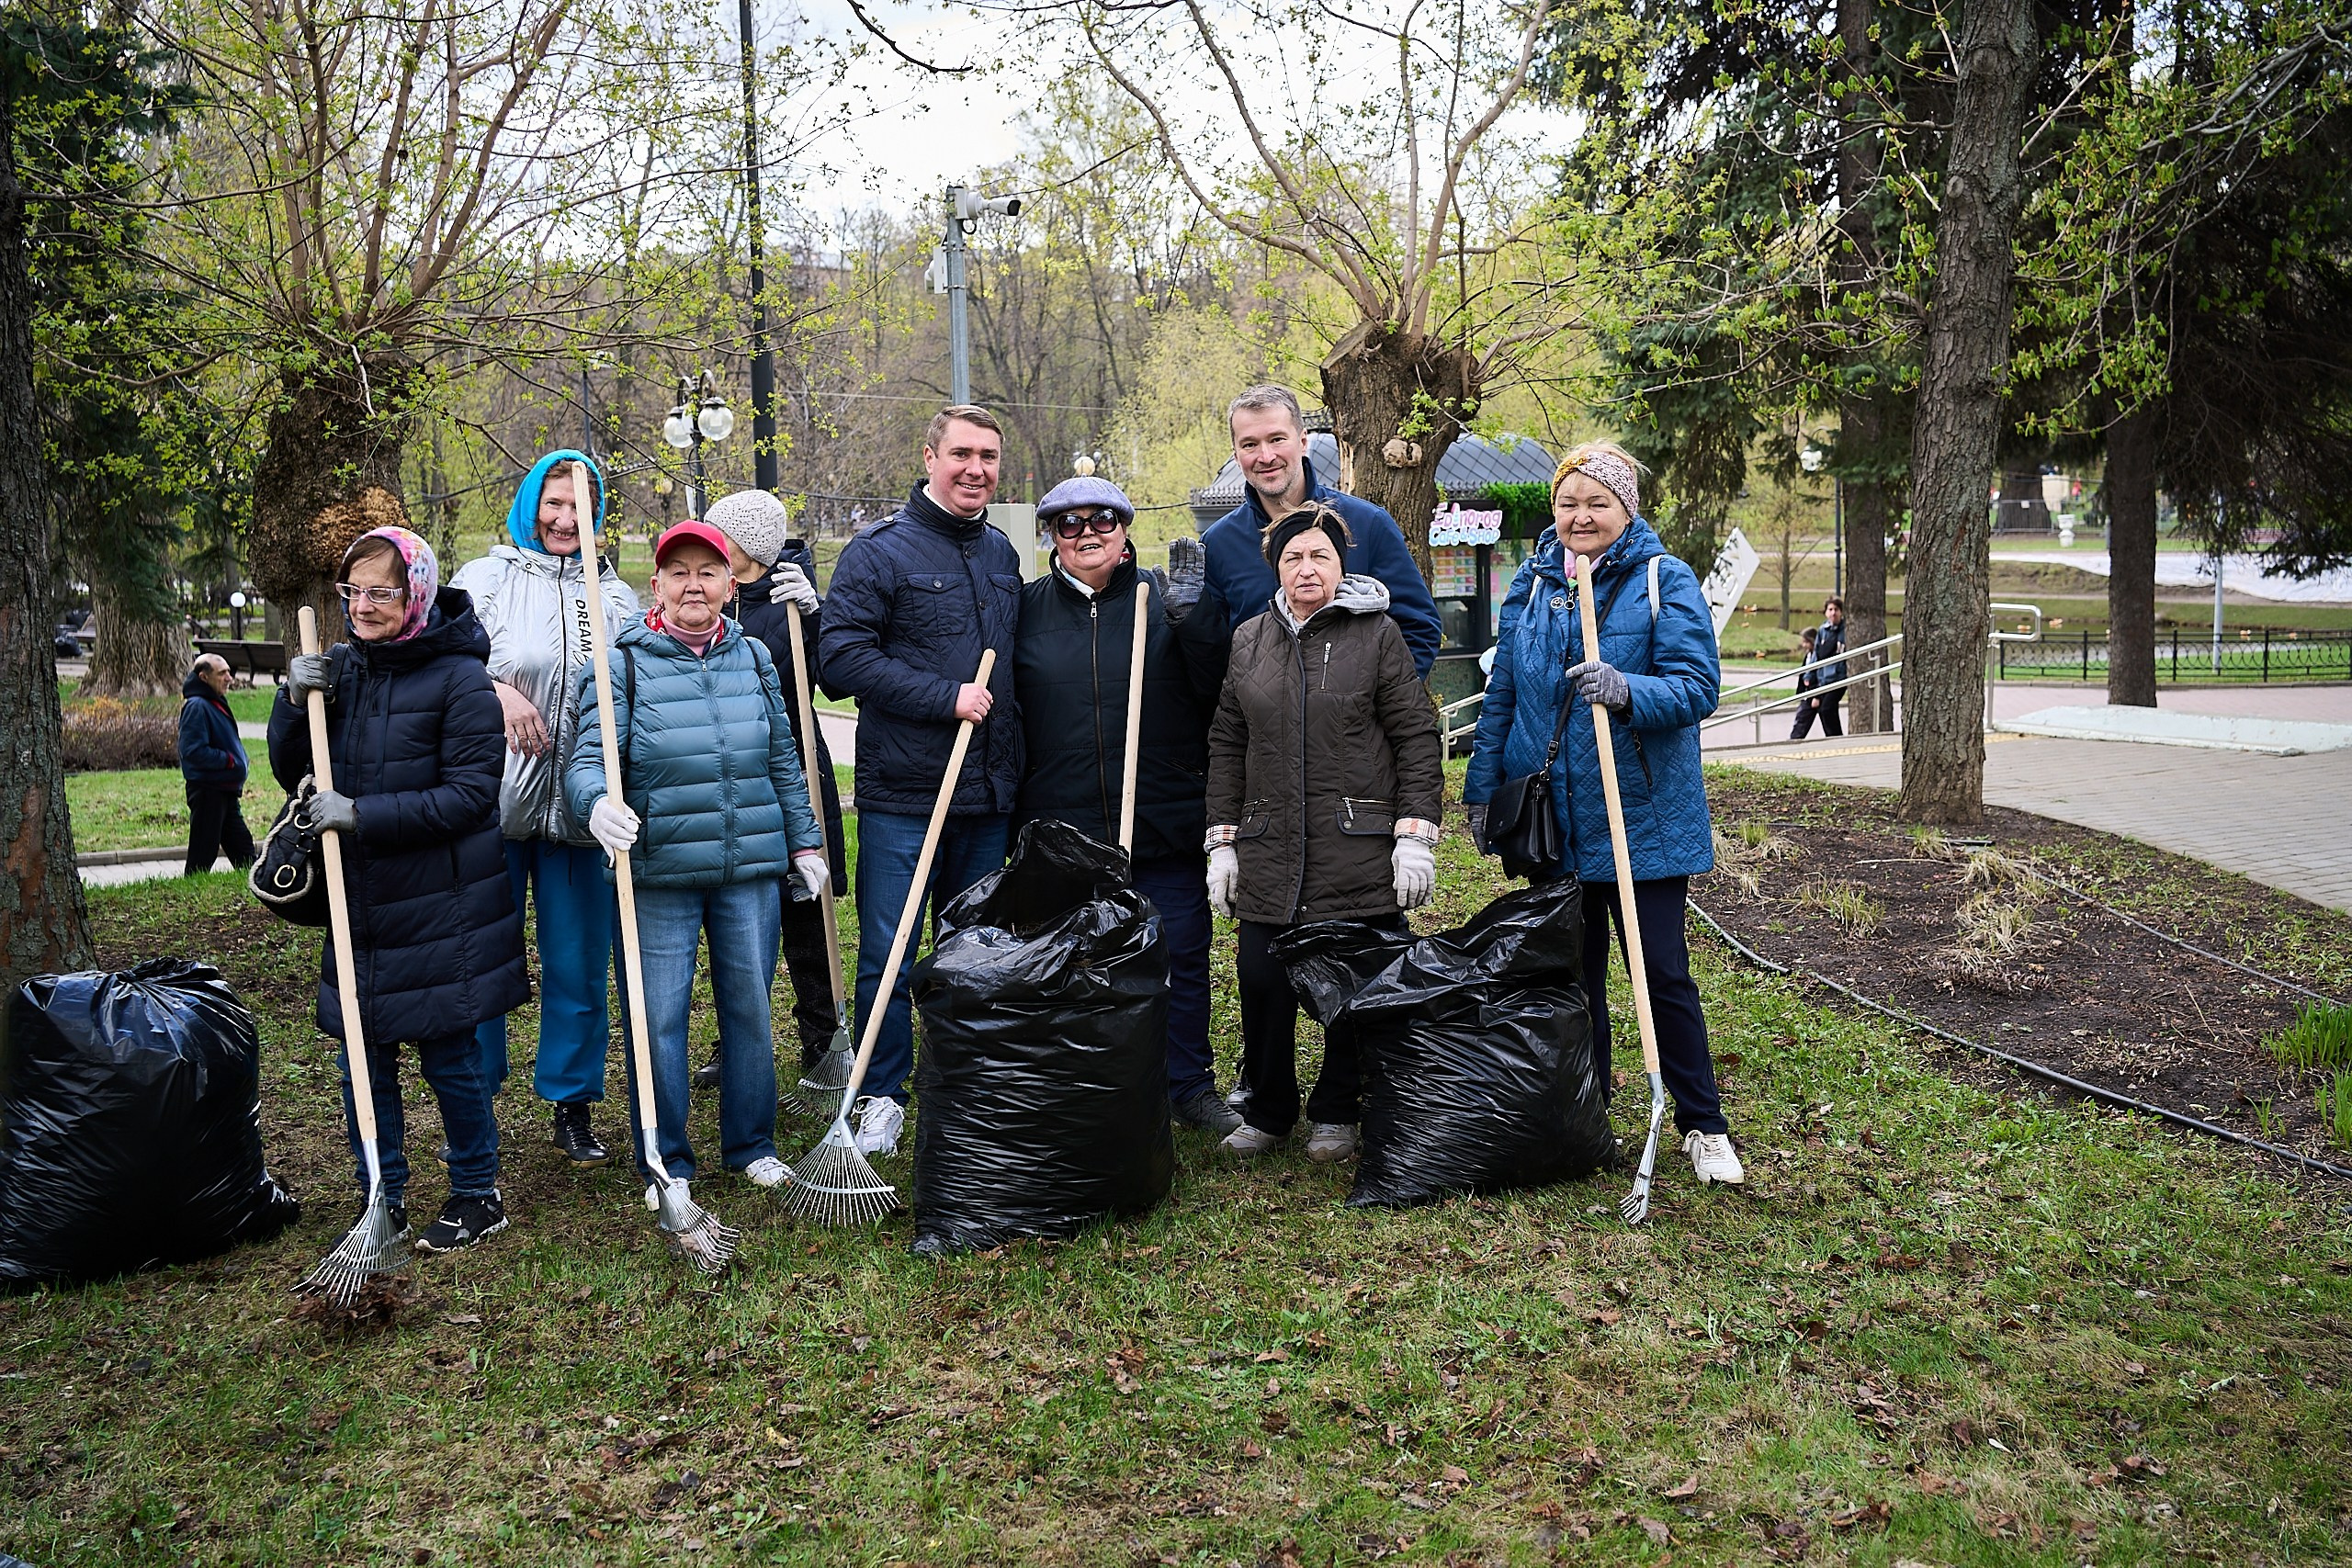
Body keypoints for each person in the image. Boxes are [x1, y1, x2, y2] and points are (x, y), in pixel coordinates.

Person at [1462, 442, 1744, 1186]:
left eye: (1598, 502)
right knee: (1569, 980)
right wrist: (1483, 788)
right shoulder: (1531, 583)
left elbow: (1697, 687)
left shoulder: (1663, 579)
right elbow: (1504, 698)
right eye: (1568, 502)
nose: (1580, 516)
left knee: (1658, 972)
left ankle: (1701, 1122)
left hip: (1640, 819)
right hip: (1555, 820)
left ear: (1627, 509)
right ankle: (1585, 1113)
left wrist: (1627, 690)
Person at [268, 525, 528, 1254]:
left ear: (414, 592)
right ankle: (381, 1196)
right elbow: (293, 764)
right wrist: (295, 700)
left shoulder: (460, 680)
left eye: (380, 592)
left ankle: (478, 1192)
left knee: (450, 1057)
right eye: (352, 591)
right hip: (361, 904)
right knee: (364, 1057)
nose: (362, 605)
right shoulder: (344, 670)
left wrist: (361, 814)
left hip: (441, 906)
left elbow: (472, 798)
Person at [566, 521, 829, 1201]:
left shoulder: (753, 657)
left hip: (747, 869)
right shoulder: (622, 662)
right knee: (658, 1017)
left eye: (707, 571)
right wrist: (596, 803)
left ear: (729, 582)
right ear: (656, 584)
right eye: (677, 571)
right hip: (658, 872)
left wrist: (803, 841)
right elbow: (589, 760)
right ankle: (666, 1158)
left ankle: (752, 1145)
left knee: (749, 1006)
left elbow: (780, 759)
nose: (693, 584)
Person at [1204, 503, 1444, 1162]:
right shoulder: (1250, 639)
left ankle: (1338, 1110)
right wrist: (1222, 843)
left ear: (1342, 566)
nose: (1306, 569)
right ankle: (1269, 1110)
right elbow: (1228, 743)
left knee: (1356, 984)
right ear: (1275, 567)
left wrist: (1414, 834)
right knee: (1261, 979)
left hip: (1356, 849)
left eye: (1320, 557)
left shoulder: (1378, 635)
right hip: (1269, 846)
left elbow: (1416, 737)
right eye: (1293, 557)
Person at [817, 405, 1023, 1156]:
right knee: (892, 951)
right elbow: (838, 661)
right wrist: (945, 698)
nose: (977, 469)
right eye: (962, 453)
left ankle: (967, 1080)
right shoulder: (879, 552)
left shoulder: (1002, 552)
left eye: (989, 456)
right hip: (906, 793)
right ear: (930, 456)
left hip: (987, 796)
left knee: (975, 948)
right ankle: (882, 1094)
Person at [1013, 474, 1236, 1134]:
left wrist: (1195, 623)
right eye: (1070, 523)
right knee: (1073, 965)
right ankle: (1091, 1083)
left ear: (1126, 528)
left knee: (1180, 955)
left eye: (1102, 520)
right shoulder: (1026, 609)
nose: (1087, 534)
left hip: (1163, 818)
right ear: (1052, 536)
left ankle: (1188, 1083)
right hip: (1064, 828)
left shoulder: (1169, 599)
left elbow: (1219, 688)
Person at [448, 451, 639, 1165]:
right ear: (531, 502)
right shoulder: (485, 581)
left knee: (579, 963)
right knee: (481, 959)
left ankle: (572, 1100)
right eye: (555, 503)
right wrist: (494, 691)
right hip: (490, 808)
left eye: (582, 507)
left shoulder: (615, 596)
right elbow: (442, 664)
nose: (566, 519)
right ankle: (473, 1095)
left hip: (582, 815)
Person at [704, 488, 850, 1091]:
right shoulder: (714, 597)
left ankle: (821, 1035)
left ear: (750, 547)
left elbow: (833, 676)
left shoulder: (790, 601)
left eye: (721, 537)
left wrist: (817, 620)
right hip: (726, 778)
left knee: (805, 914)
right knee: (740, 916)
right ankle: (736, 1039)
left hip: (794, 771)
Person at [1200, 385, 1443, 678]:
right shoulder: (1218, 545)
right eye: (1250, 445)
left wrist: (1374, 711)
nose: (1265, 456)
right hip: (1261, 723)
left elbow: (1418, 629)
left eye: (1277, 439)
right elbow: (1213, 657)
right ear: (1237, 455)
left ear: (1303, 441)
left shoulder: (1367, 525)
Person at [177, 652, 254, 876]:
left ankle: (259, 890)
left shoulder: (214, 702)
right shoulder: (197, 706)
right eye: (222, 673)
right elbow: (192, 752)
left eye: (229, 672)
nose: (229, 678)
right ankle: (191, 897)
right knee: (202, 857)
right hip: (208, 792)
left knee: (245, 854)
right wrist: (230, 761)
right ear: (204, 677)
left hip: (225, 792)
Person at [1810, 596, 1847, 737]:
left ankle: (1836, 738)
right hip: (1823, 677)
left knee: (1827, 708)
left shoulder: (1845, 630)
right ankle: (1832, 738)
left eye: (1836, 610)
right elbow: (1816, 655)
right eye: (1830, 610)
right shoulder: (1822, 631)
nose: (1833, 613)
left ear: (1841, 612)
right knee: (1823, 710)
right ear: (1825, 612)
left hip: (1839, 677)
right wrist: (1810, 674)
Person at [1788, 627, 1828, 739]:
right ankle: (1794, 741)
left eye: (1806, 642)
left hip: (1814, 693)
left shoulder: (1818, 655)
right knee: (1801, 721)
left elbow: (1820, 675)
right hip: (1807, 694)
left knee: (1827, 722)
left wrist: (1817, 695)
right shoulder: (1808, 655)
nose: (1804, 645)